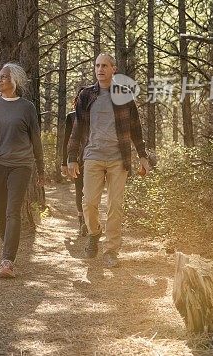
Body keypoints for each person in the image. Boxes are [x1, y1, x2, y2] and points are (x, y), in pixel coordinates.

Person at [67, 53, 151, 268]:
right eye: (97, 65)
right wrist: (71, 158)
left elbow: (135, 130)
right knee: (89, 202)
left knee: (115, 205)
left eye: (105, 65)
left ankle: (111, 251)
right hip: (93, 156)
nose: (100, 69)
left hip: (118, 159)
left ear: (114, 69)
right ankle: (95, 233)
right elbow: (77, 129)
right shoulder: (86, 95)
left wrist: (142, 156)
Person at [0, 62, 45, 279]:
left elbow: (36, 140)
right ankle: (9, 249)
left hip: (21, 165)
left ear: (15, 81)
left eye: (4, 77)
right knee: (0, 212)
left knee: (13, 210)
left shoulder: (27, 107)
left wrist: (41, 169)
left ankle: (7, 261)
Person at [60, 96, 87, 236]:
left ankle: (89, 220)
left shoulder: (94, 114)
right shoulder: (71, 117)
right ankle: (82, 220)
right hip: (76, 160)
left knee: (92, 191)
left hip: (93, 158)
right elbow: (66, 141)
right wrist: (64, 162)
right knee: (79, 189)